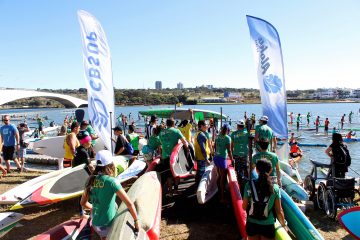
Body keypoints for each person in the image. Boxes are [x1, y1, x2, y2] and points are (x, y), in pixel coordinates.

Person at [80, 150, 139, 239]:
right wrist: (136, 221)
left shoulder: (90, 180)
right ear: (111, 165)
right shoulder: (112, 182)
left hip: (95, 223)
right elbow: (129, 203)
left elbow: (83, 203)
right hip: (108, 223)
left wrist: (94, 207)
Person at [242, 159, 286, 240]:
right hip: (267, 226)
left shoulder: (249, 185)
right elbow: (279, 211)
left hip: (252, 224)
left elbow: (244, 207)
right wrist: (284, 225)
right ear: (271, 170)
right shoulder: (275, 188)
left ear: (256, 170)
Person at [158, 118, 189, 197]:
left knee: (168, 175)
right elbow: (184, 141)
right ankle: (176, 190)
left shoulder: (161, 132)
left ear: (167, 124)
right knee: (176, 173)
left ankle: (170, 192)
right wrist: (188, 150)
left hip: (165, 156)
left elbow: (161, 144)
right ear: (173, 124)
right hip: (174, 157)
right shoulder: (176, 131)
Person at [214, 123, 233, 203]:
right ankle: (222, 197)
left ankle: (218, 192)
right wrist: (232, 159)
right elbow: (229, 151)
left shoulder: (217, 136)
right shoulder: (227, 138)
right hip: (222, 159)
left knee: (219, 176)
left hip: (216, 157)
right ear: (228, 130)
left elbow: (214, 146)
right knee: (223, 178)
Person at [231, 120, 250, 185]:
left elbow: (232, 145)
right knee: (245, 168)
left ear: (237, 126)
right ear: (243, 126)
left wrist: (231, 154)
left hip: (236, 154)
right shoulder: (247, 134)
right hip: (245, 153)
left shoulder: (233, 134)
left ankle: (239, 183)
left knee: (238, 169)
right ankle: (247, 183)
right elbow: (250, 144)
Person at [194, 120, 211, 186]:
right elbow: (203, 148)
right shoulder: (202, 135)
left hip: (199, 157)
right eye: (205, 125)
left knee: (199, 173)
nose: (207, 126)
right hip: (202, 158)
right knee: (202, 175)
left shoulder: (197, 133)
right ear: (201, 126)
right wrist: (206, 159)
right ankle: (200, 190)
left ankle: (197, 187)